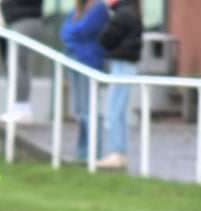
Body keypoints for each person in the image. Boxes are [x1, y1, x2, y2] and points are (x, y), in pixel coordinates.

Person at [96, 0, 142, 170]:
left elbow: (104, 38)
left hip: (122, 64)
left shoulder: (123, 15)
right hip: (124, 64)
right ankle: (119, 153)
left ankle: (117, 153)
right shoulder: (130, 12)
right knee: (118, 109)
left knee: (114, 109)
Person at [61, 0, 109, 161]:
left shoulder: (99, 8)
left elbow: (83, 30)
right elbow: (65, 31)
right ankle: (82, 151)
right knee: (79, 110)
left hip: (88, 61)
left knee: (89, 109)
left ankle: (93, 152)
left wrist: (73, 32)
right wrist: (73, 32)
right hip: (73, 59)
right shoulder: (76, 10)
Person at [0, 0, 44, 123]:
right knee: (12, 64)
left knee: (17, 64)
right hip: (11, 20)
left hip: (25, 18)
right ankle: (16, 105)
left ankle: (22, 107)